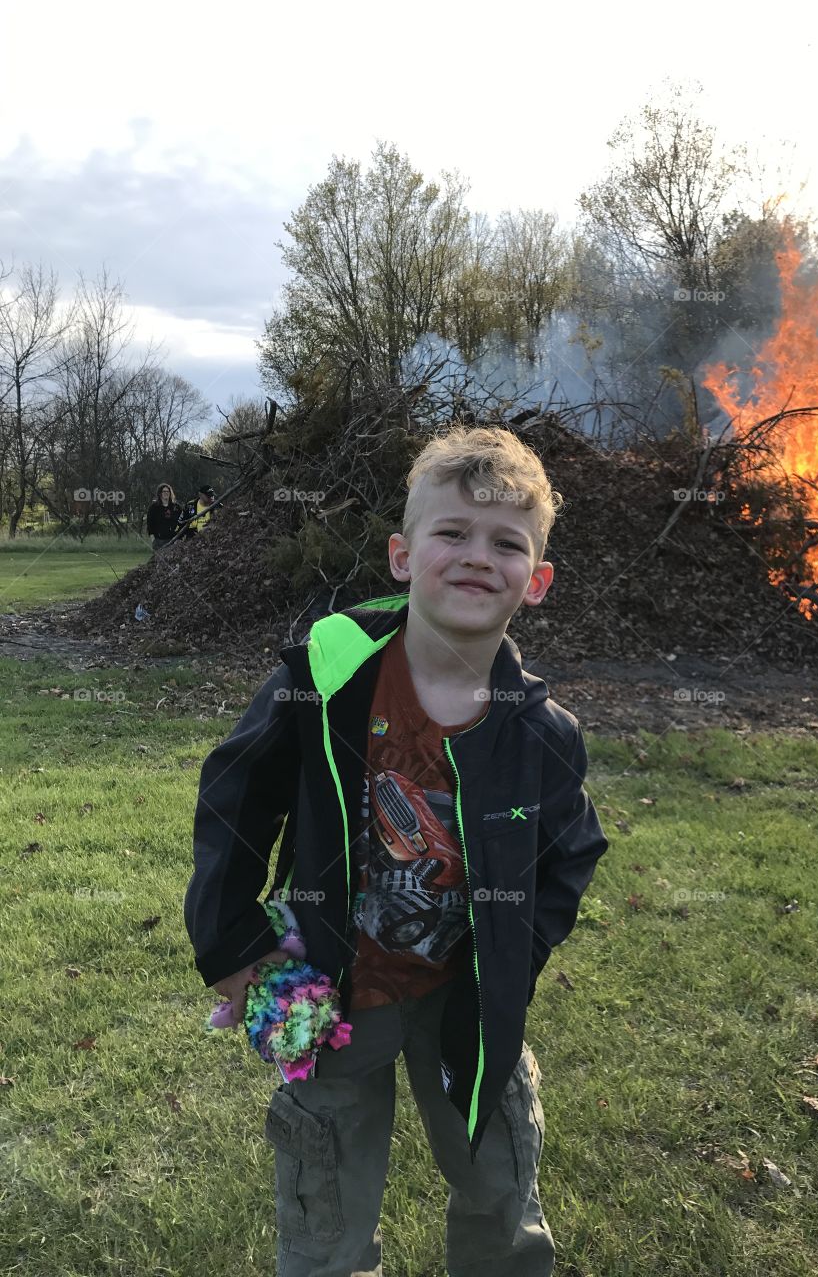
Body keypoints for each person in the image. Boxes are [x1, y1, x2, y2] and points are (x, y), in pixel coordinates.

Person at [183, 426, 609, 1277]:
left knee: (499, 1184)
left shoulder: (543, 734)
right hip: (340, 994)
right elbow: (236, 794)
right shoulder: (326, 675)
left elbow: (571, 853)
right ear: (403, 555)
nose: (476, 555)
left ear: (537, 582)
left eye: (507, 543)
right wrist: (232, 943)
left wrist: (513, 960)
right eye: (450, 532)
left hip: (469, 1007)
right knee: (327, 1199)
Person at [146, 483, 182, 550]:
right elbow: (149, 524)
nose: (166, 493)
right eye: (164, 491)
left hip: (174, 540)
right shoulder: (153, 508)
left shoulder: (176, 507)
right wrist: (153, 539)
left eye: (168, 491)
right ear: (160, 493)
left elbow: (182, 522)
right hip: (159, 541)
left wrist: (179, 538)